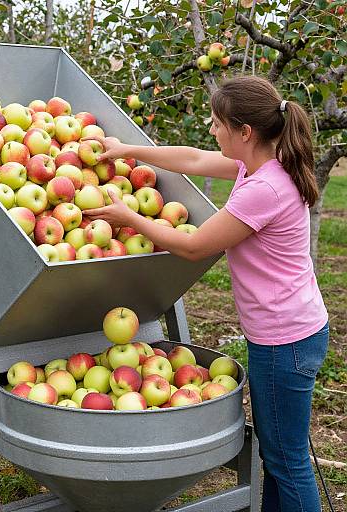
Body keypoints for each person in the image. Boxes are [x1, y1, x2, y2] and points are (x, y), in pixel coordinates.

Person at [82, 75, 329, 512]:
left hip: (283, 339)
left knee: (287, 461)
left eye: (217, 124)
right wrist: (129, 150)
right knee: (279, 456)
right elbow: (193, 159)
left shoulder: (263, 189)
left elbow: (194, 247)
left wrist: (129, 217)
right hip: (294, 329)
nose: (211, 131)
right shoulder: (264, 165)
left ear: (244, 132)